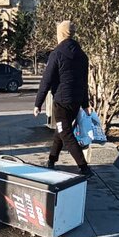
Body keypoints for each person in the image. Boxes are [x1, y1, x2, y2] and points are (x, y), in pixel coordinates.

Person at [33, 20, 94, 177]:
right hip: (75, 102)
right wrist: (85, 104)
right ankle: (51, 160)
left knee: (65, 133)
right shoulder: (82, 55)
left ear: (60, 34)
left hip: (61, 102)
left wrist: (38, 103)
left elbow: (46, 79)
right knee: (61, 131)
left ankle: (84, 167)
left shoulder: (57, 54)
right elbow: (84, 81)